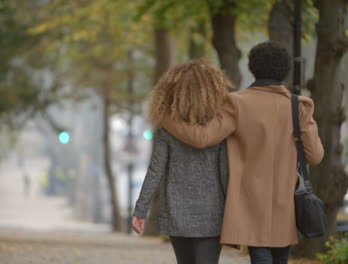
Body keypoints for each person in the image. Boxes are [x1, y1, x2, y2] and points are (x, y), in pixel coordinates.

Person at [162, 41, 324, 264]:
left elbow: (202, 138)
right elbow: (315, 156)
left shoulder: (236, 103)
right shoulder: (300, 106)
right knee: (280, 257)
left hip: (249, 201)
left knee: (260, 254)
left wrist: (166, 118)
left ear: (252, 68)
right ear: (286, 70)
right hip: (284, 200)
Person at [132, 59, 233, 264]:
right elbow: (225, 171)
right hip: (213, 212)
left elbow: (155, 171)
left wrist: (140, 210)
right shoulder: (220, 127)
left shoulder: (166, 127)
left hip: (177, 212)